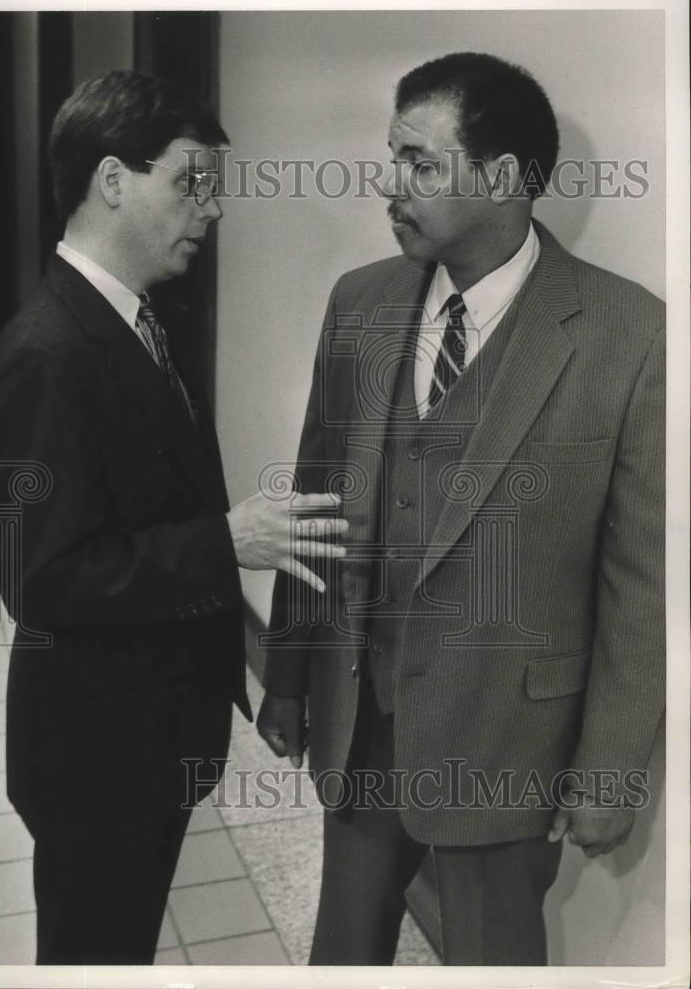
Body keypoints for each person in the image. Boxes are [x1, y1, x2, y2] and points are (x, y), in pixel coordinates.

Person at [258, 52, 665, 966]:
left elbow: (644, 582)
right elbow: (314, 492)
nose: (389, 186)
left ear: (507, 178)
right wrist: (287, 674)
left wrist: (610, 767)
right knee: (343, 951)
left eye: (420, 164)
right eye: (392, 157)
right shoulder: (359, 302)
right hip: (361, 718)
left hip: (511, 737)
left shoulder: (630, 336)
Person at [0, 70, 345, 965]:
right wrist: (228, 541)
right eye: (190, 181)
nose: (211, 208)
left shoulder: (134, 319)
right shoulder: (49, 353)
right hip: (99, 757)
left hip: (143, 738)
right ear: (111, 180)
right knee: (93, 953)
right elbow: (45, 580)